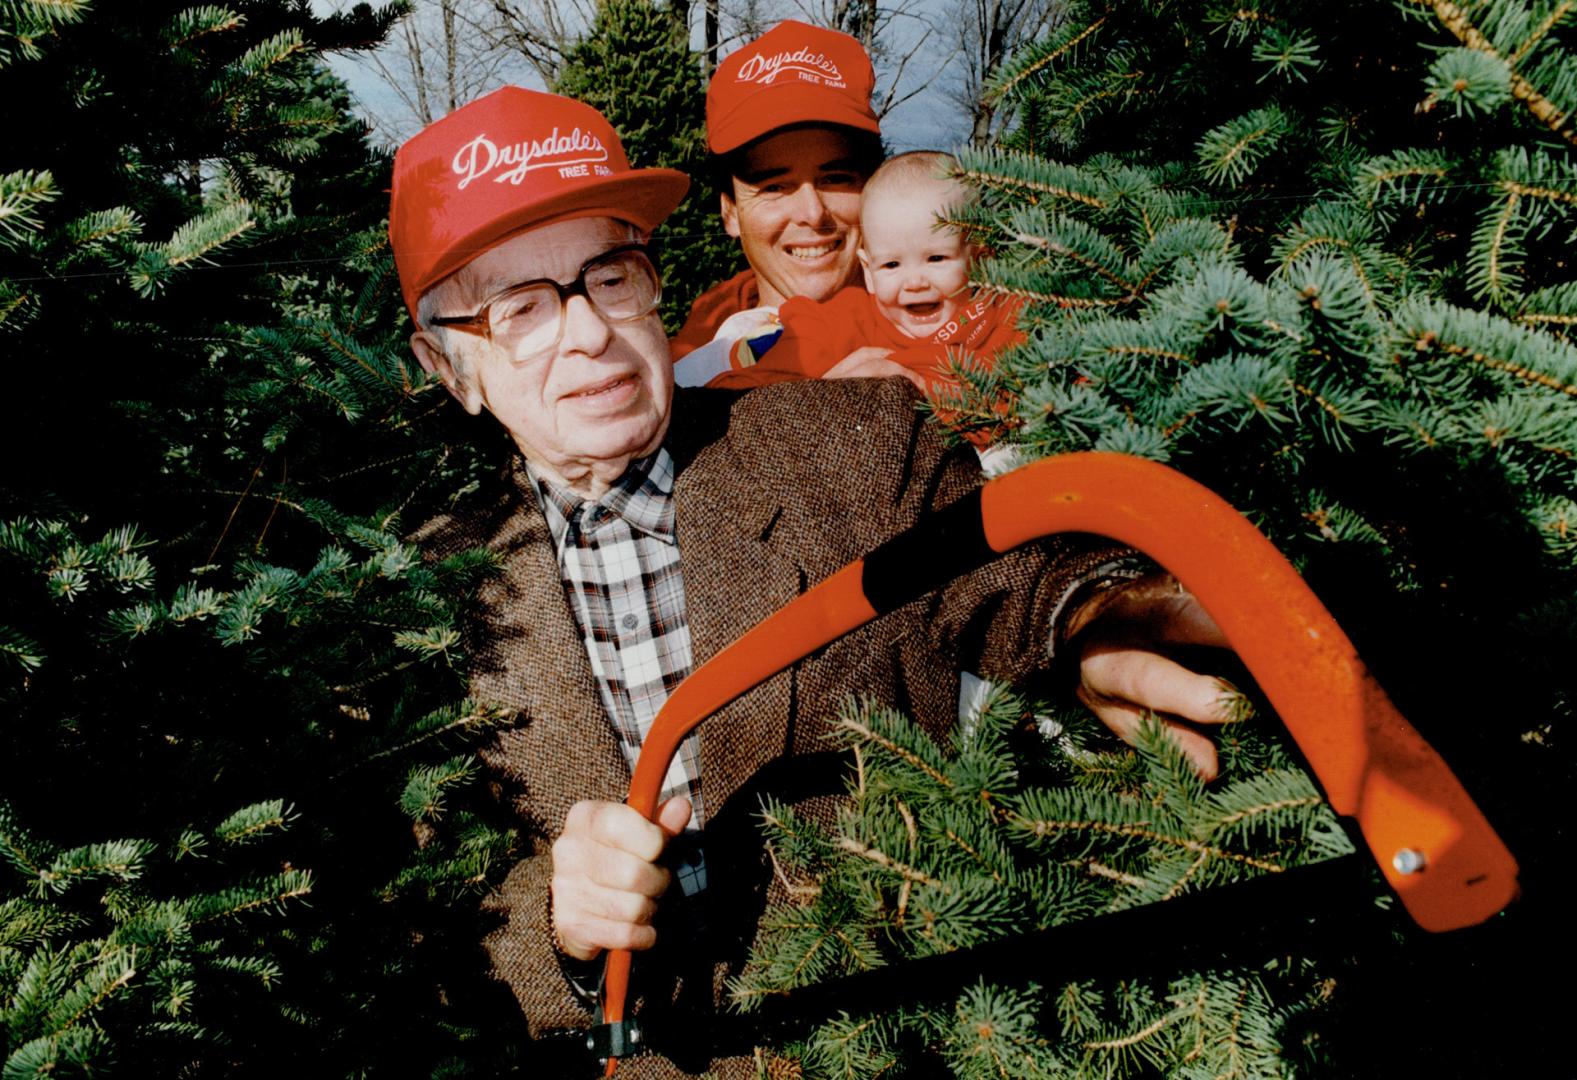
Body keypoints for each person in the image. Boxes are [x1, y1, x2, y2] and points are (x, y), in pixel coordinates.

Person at [390, 86, 1238, 1078]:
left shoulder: (853, 437)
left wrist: (1092, 621)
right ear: (450, 369)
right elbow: (419, 899)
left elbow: (1011, 573)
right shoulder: (419, 592)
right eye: (522, 310)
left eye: (609, 276)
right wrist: (556, 926)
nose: (588, 333)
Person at [671, 19, 926, 393]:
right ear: (730, 212)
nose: (812, 213)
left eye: (836, 178)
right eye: (774, 186)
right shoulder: (683, 370)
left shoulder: (951, 322)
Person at [705, 152, 1024, 426]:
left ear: (982, 260)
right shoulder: (844, 322)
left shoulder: (1013, 315)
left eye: (936, 258)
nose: (914, 283)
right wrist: (814, 396)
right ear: (868, 271)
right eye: (891, 266)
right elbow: (737, 399)